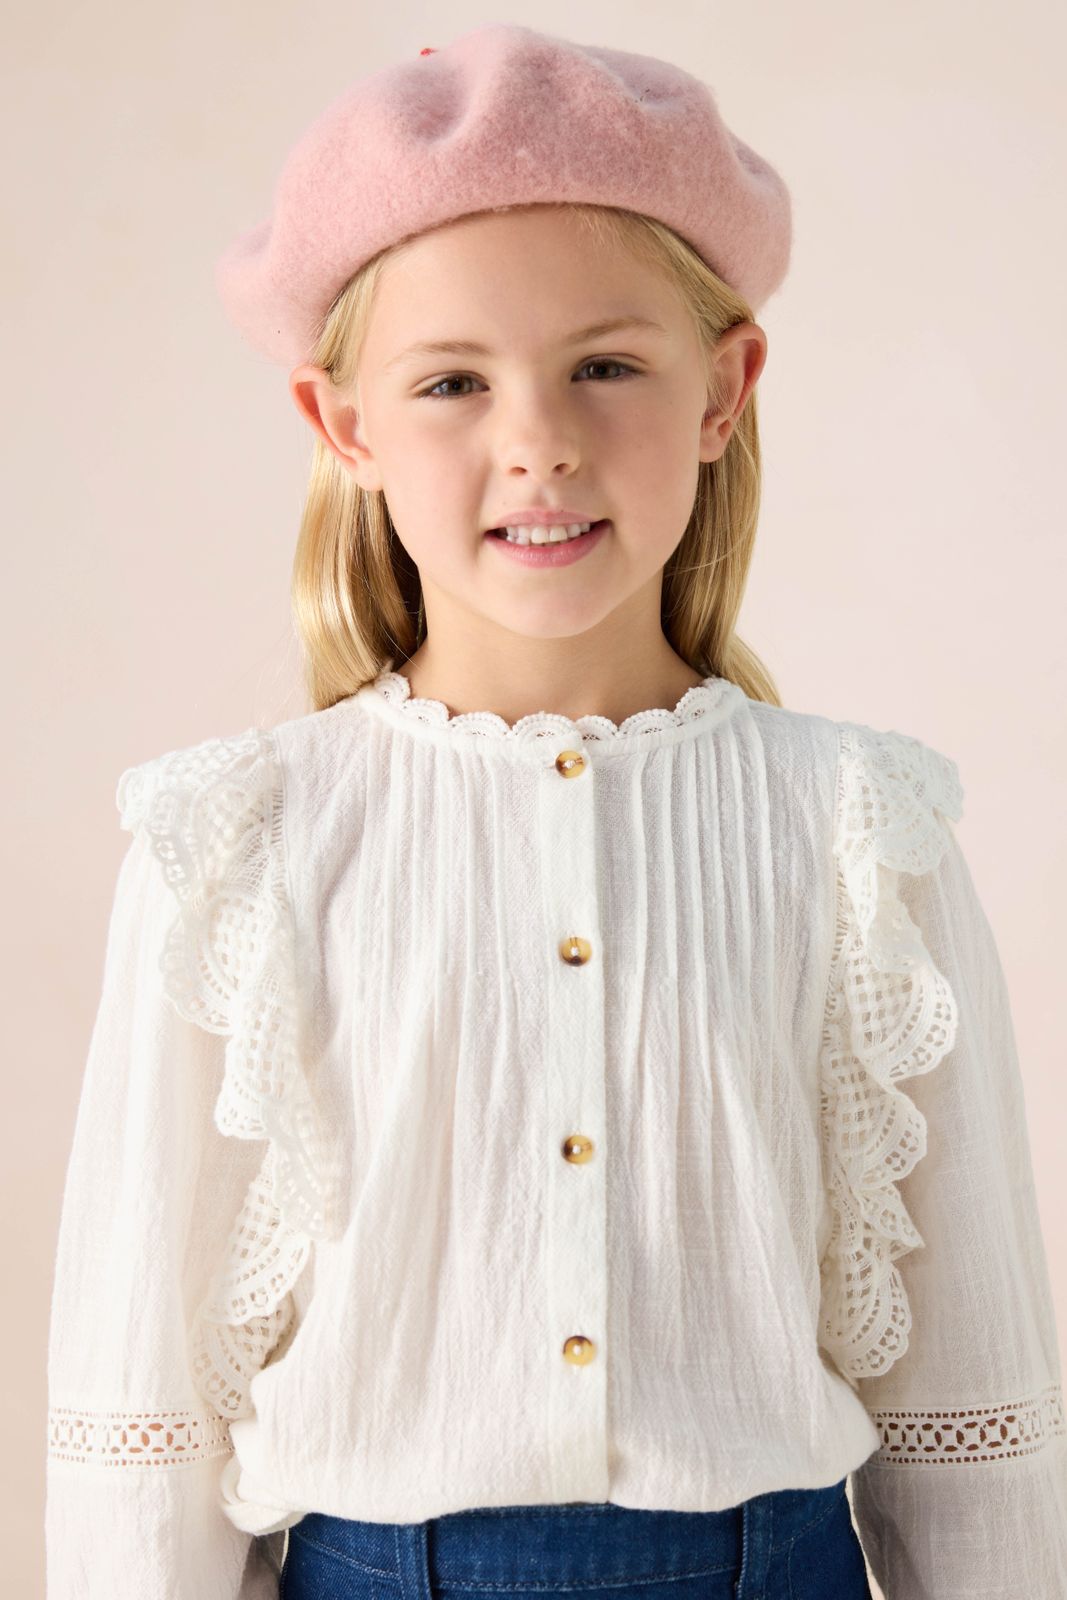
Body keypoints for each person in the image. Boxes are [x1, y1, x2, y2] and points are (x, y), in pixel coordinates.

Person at [44, 22, 1066, 1600]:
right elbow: (143, 1413)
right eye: (453, 381)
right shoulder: (234, 850)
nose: (539, 442)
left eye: (605, 365)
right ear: (346, 426)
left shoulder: (862, 832)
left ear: (724, 390)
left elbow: (973, 1399)